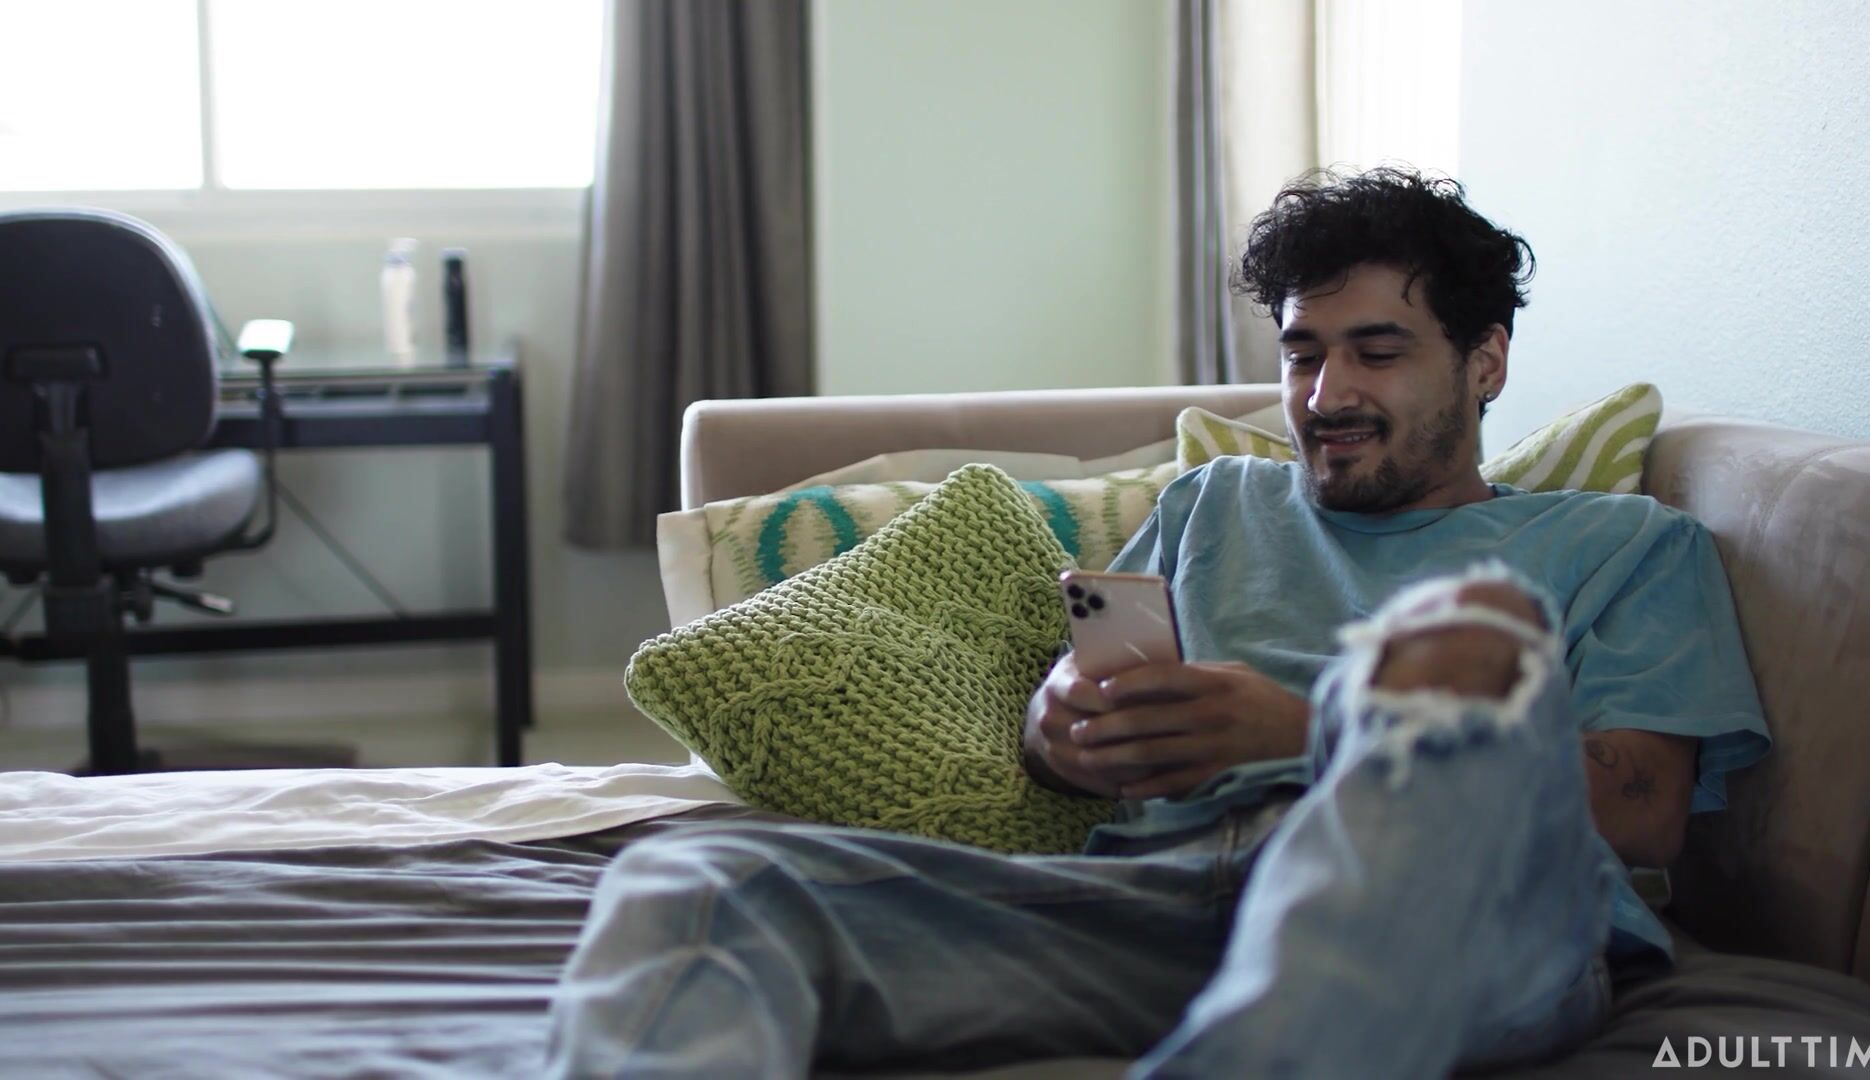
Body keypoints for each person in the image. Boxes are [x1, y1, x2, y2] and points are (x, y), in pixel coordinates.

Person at [544, 168, 1771, 1079]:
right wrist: (1060, 728)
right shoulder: (1212, 502)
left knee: (1460, 672)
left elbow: (1642, 808)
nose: (1325, 395)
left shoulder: (1623, 543)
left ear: (1485, 361)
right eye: (1302, 355)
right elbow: (1070, 713)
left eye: (1377, 352)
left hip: (1459, 894)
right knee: (696, 884)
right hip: (1161, 900)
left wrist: (1306, 729)